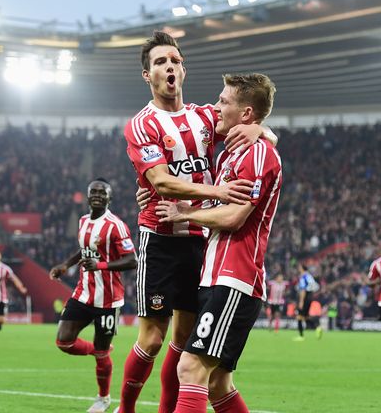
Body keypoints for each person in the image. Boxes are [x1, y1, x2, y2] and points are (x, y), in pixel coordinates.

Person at [118, 31, 277, 413]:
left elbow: (255, 129)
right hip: (159, 238)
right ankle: (124, 408)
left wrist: (262, 130)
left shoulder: (205, 117)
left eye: (175, 60)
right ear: (147, 76)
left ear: (183, 70)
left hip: (200, 241)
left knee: (186, 340)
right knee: (153, 339)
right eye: (160, 62)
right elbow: (159, 180)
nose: (169, 66)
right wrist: (218, 193)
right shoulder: (142, 124)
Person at [155, 72, 281, 413]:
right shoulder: (229, 155)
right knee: (217, 384)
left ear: (246, 115)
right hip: (217, 276)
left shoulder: (257, 154)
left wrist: (185, 214)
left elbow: (232, 217)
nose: (216, 106)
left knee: (190, 368)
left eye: (224, 101)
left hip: (235, 278)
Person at [49, 179, 138, 413]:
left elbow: (132, 261)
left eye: (102, 192)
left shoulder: (116, 226)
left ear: (110, 198)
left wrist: (101, 265)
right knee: (63, 341)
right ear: (88, 196)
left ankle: (103, 398)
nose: (97, 195)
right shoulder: (83, 221)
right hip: (82, 294)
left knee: (100, 352)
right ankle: (100, 351)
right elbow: (83, 249)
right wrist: (66, 265)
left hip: (108, 300)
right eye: (94, 192)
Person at [293, 264, 321, 341]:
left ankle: (301, 336)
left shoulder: (303, 276)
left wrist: (301, 301)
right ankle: (317, 327)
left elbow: (303, 289)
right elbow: (316, 287)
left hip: (304, 297)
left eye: (299, 267)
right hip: (310, 296)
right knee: (305, 316)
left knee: (299, 317)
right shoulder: (309, 276)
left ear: (302, 268)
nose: (298, 268)